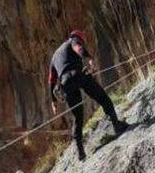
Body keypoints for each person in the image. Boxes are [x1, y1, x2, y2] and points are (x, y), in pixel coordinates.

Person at [48, 30, 128, 161]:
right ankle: (116, 125)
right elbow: (78, 48)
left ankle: (80, 152)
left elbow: (51, 80)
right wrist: (89, 58)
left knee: (77, 117)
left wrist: (53, 101)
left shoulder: (54, 57)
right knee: (103, 98)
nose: (82, 43)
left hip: (65, 84)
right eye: (81, 40)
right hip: (77, 75)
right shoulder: (72, 41)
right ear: (77, 37)